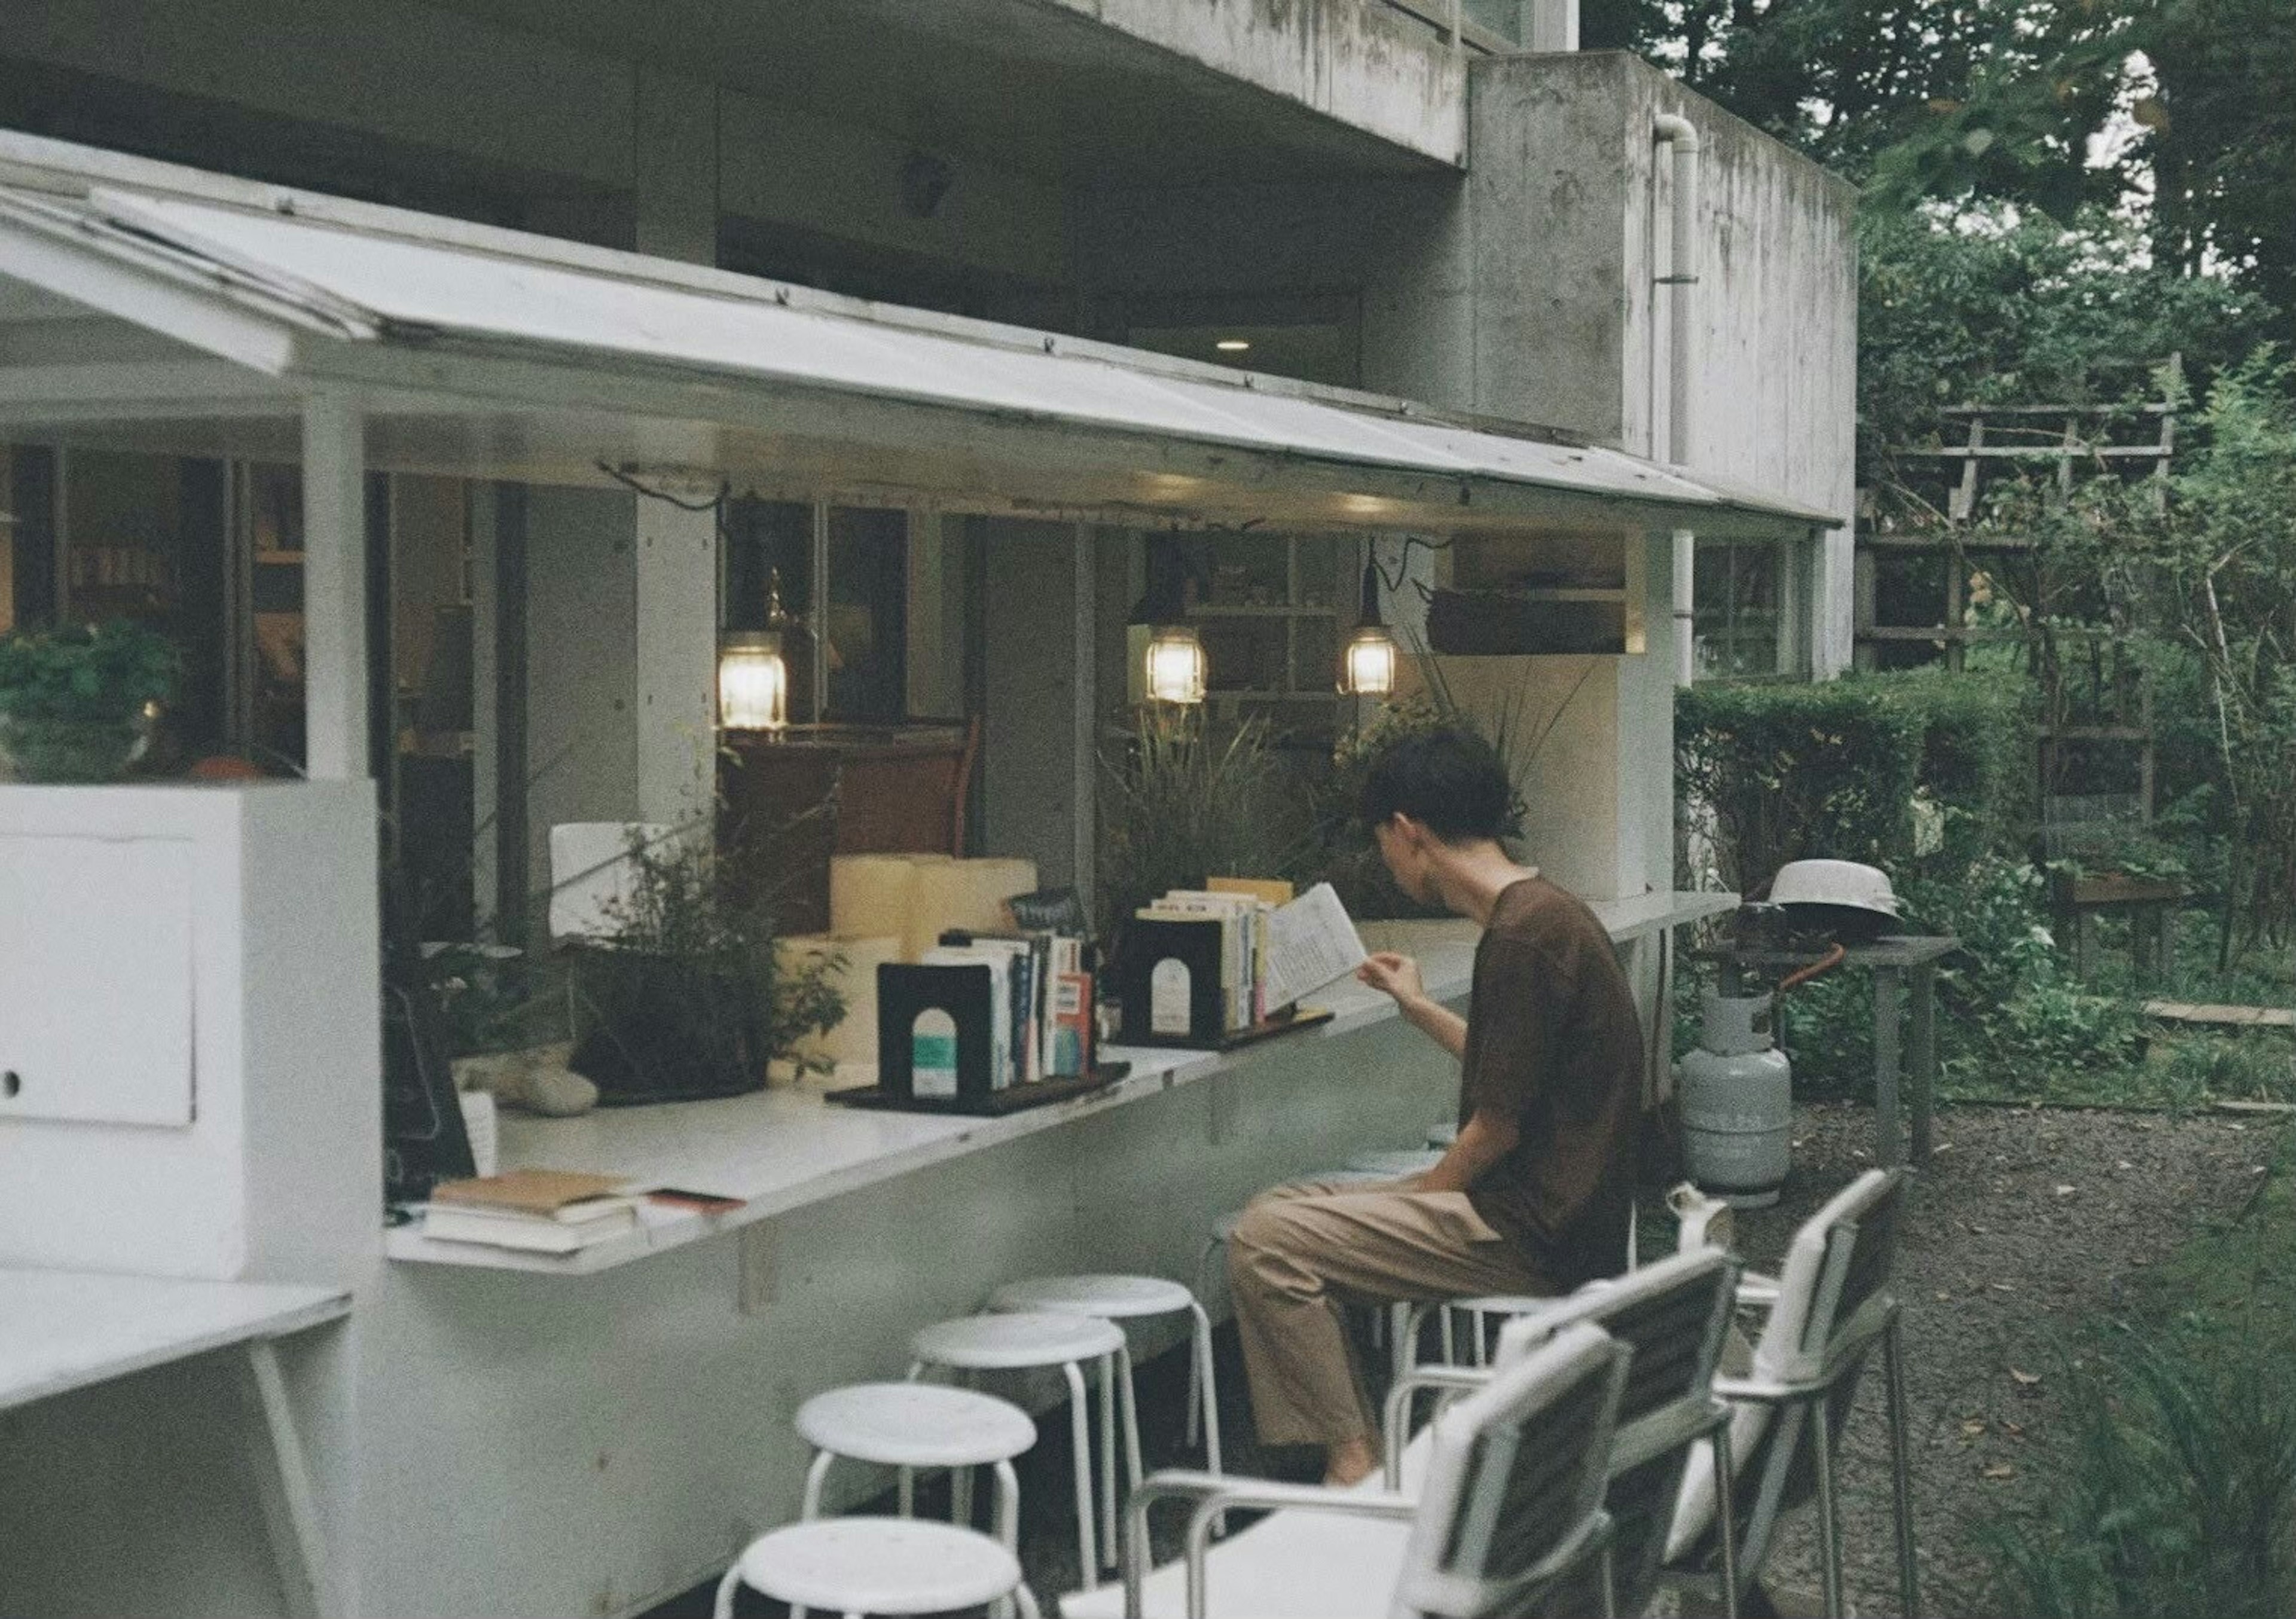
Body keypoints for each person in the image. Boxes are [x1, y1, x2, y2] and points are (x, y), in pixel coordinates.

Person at [1228, 727, 1646, 1485]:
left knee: (1265, 1237)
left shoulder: (1521, 937)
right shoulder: (1545, 913)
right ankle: (1354, 1440)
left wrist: (1422, 1197)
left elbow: (1496, 1126)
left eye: (1383, 840)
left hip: (1528, 1227)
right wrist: (1415, 1004)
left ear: (1407, 831)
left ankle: (1351, 1459)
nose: (1387, 858)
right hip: (1557, 1212)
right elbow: (1512, 1077)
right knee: (1290, 1202)